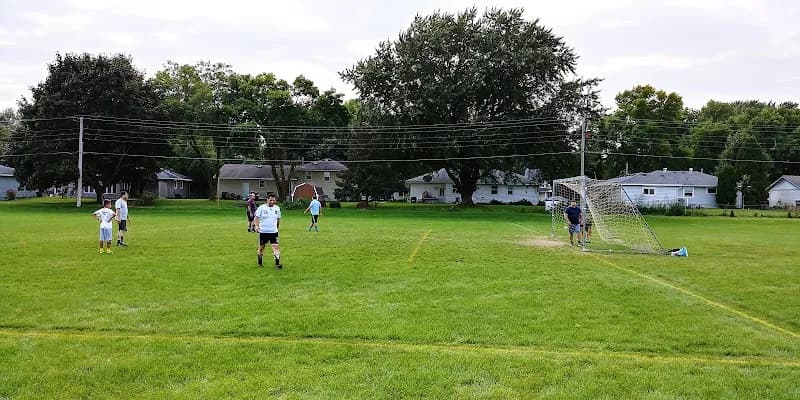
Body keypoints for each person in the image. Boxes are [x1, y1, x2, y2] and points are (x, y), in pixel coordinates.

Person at [254, 193, 283, 269]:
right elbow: (256, 218)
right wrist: (256, 226)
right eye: (270, 200)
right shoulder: (262, 208)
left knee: (275, 247)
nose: (272, 202)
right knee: (262, 247)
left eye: (273, 200)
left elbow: (278, 219)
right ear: (267, 200)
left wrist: (276, 228)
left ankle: (277, 264)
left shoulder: (277, 208)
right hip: (263, 232)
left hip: (273, 232)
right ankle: (260, 262)